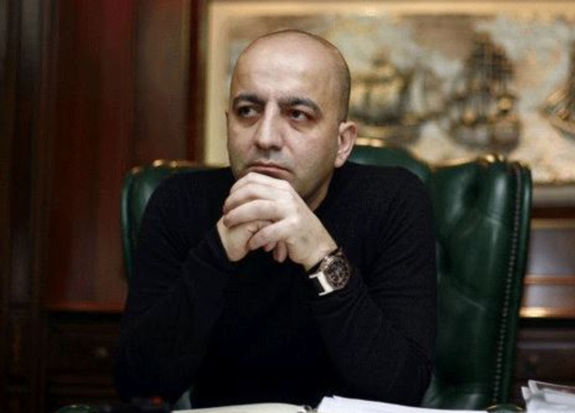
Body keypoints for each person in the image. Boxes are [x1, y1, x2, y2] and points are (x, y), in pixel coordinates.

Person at [115, 29, 436, 409]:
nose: (265, 137)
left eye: (298, 115)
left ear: (342, 143)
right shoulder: (179, 202)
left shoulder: (393, 200)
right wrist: (217, 251)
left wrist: (321, 256)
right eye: (247, 111)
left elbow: (402, 389)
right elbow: (140, 383)